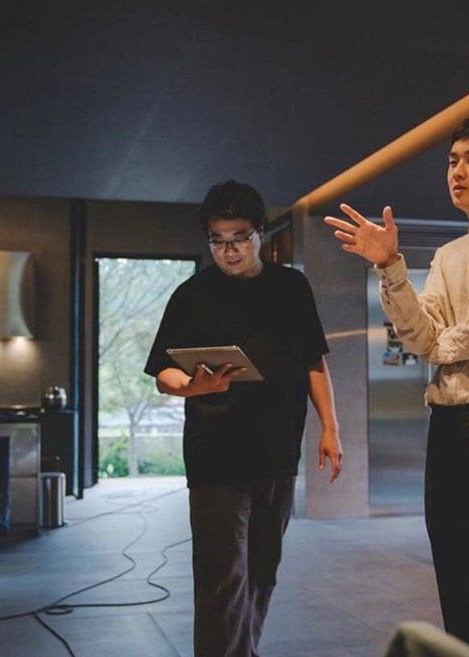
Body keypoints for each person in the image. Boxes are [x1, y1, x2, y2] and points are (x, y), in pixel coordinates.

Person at [325, 114, 469, 656]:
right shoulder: (447, 255)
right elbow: (417, 333)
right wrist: (390, 265)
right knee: (455, 579)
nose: (457, 172)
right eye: (452, 161)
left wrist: (436, 346)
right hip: (446, 426)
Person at [145, 180, 343, 657]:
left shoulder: (291, 288)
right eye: (217, 241)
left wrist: (331, 428)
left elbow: (314, 362)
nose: (229, 251)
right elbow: (162, 372)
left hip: (278, 452)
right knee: (221, 577)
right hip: (215, 455)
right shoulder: (191, 295)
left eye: (238, 238)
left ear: (260, 233)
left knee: (261, 572)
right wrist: (192, 386)